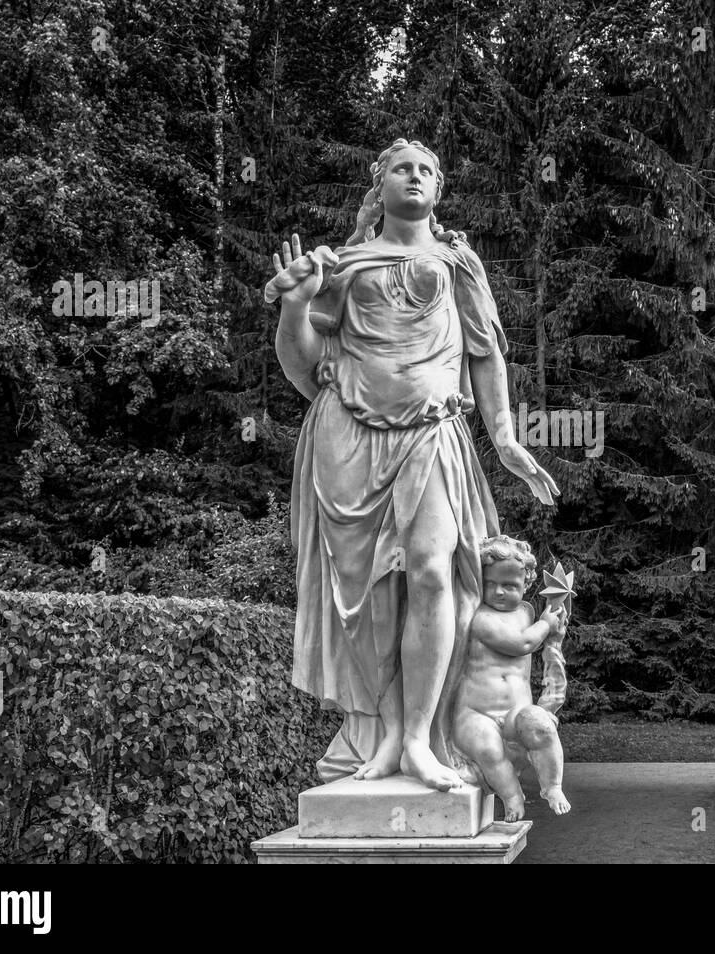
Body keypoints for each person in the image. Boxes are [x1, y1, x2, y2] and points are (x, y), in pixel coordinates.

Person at [268, 139, 559, 791]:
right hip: (349, 439)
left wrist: (506, 439)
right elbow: (306, 368)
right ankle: (390, 734)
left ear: (439, 187)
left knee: (434, 573)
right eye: (403, 167)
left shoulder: (457, 260)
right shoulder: (345, 265)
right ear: (381, 183)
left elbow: (485, 353)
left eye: (428, 169)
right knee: (372, 600)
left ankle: (422, 738)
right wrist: (293, 307)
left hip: (432, 431)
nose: (416, 176)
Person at [453, 534, 571, 820]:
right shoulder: (479, 618)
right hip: (475, 713)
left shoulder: (527, 613)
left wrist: (556, 629)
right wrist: (545, 624)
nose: (499, 592)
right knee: (487, 748)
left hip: (516, 712)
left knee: (541, 725)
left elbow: (543, 636)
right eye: (490, 584)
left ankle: (552, 786)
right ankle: (512, 796)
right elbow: (522, 644)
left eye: (509, 586)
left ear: (526, 584)